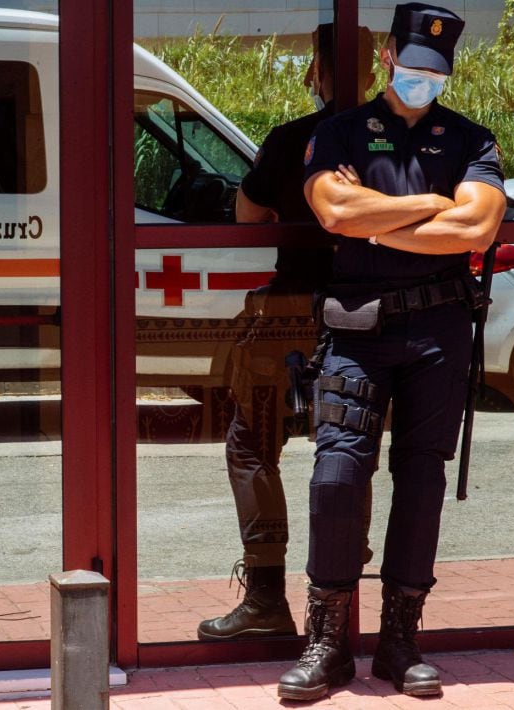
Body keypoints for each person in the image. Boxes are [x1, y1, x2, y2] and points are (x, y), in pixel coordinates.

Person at [276, 3, 506, 700]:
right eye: (412, 67)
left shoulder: (472, 139)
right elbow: (335, 212)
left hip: (439, 332)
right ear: (388, 60)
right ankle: (327, 645)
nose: (422, 79)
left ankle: (400, 644)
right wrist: (432, 206)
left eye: (436, 71)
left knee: (422, 482)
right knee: (337, 477)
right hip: (357, 330)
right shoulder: (338, 132)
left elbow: (479, 227)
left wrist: (378, 215)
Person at [197, 24, 376, 642]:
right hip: (369, 319)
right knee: (350, 456)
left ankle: (267, 599)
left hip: (293, 318)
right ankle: (340, 610)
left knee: (252, 448)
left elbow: (248, 214)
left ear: (318, 73)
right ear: (374, 71)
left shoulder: (294, 139)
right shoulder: (395, 142)